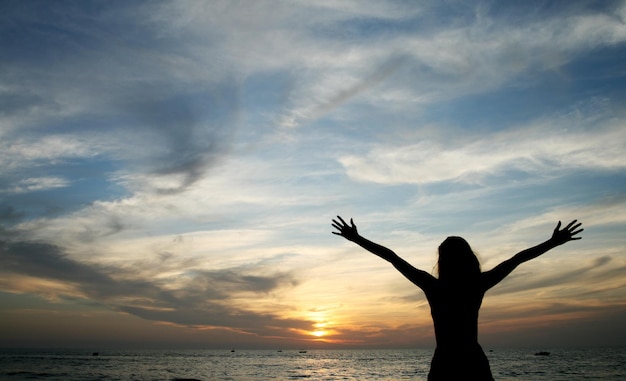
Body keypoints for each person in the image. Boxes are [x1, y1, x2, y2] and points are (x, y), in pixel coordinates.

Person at [331, 216, 583, 381]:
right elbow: (518, 258)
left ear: (442, 260)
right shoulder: (478, 284)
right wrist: (553, 242)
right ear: (468, 257)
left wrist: (357, 239)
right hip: (473, 361)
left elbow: (392, 257)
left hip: (446, 362)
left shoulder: (433, 286)